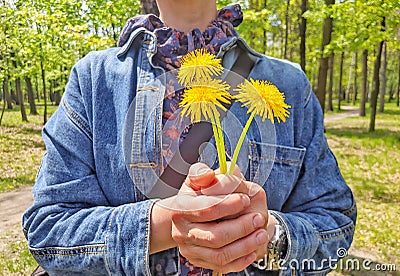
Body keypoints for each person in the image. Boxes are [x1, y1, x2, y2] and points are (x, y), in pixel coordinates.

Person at [22, 0, 357, 275]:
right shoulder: (93, 80)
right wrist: (167, 224)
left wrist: (268, 235)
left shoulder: (290, 84)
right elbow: (47, 228)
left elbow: (336, 223)